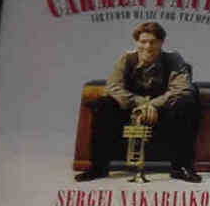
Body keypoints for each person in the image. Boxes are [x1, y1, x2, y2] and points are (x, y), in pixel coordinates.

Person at [76, 22, 202, 184]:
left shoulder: (173, 59)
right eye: (143, 42)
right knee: (103, 105)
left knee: (187, 104)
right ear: (136, 42)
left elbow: (182, 88)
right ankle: (98, 166)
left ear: (161, 43)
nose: (147, 46)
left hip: (163, 112)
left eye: (153, 42)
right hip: (131, 110)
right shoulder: (126, 59)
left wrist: (153, 105)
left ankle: (181, 167)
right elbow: (113, 87)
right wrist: (142, 104)